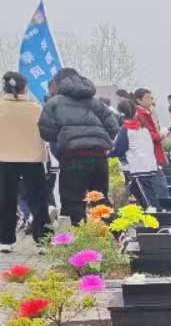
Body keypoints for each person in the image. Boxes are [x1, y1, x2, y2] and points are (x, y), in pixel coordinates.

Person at [37, 67, 118, 223]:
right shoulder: (95, 102)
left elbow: (46, 132)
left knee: (72, 202)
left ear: (58, 83)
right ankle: (116, 233)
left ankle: (77, 235)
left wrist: (62, 137)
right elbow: (114, 128)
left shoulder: (54, 103)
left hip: (73, 157)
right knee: (100, 201)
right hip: (99, 157)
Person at [0, 72, 49, 247]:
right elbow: (46, 133)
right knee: (38, 199)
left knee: (6, 199)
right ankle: (43, 239)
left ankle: (5, 240)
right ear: (25, 88)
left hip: (4, 158)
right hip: (32, 158)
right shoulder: (36, 108)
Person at [113, 98, 167, 209]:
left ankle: (157, 215)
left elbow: (119, 149)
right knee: (138, 191)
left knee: (148, 199)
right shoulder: (143, 128)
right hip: (149, 165)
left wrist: (107, 154)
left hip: (138, 168)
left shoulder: (126, 130)